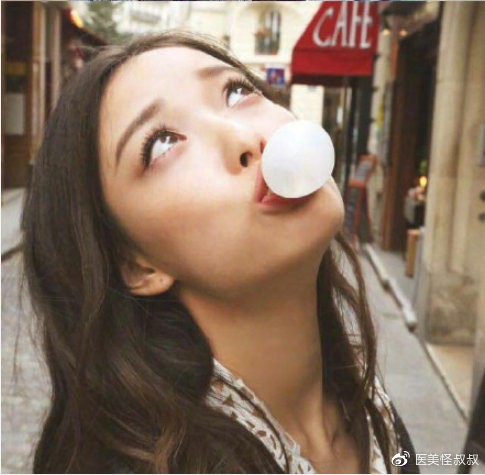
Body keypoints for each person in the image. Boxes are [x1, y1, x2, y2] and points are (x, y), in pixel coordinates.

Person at [21, 31, 417, 473]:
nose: (243, 135)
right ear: (136, 264)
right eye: (162, 143)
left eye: (237, 92)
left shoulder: (373, 413)